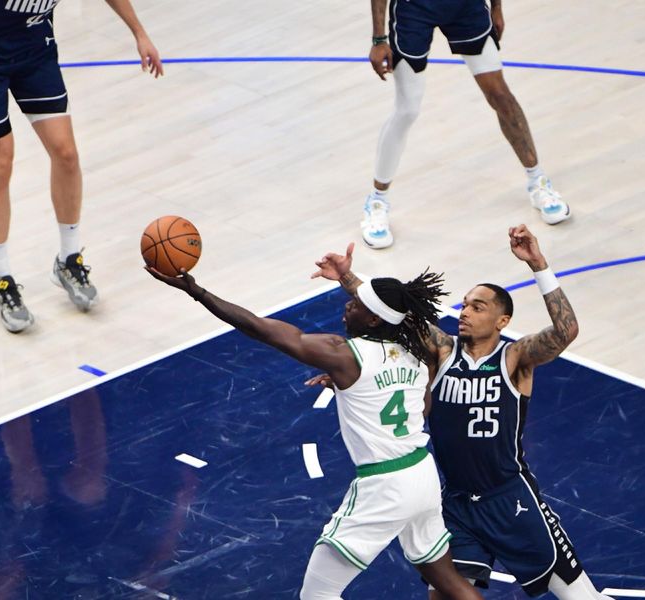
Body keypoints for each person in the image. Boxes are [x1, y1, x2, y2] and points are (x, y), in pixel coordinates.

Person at [144, 264, 481, 600]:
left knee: (317, 595)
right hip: (421, 474)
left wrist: (197, 291)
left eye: (358, 304)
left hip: (385, 487)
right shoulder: (415, 357)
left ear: (375, 320)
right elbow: (419, 411)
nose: (348, 306)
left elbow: (261, 329)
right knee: (445, 579)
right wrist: (359, 394)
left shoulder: (345, 355)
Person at [312, 225, 612, 600]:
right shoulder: (443, 350)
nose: (465, 312)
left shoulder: (515, 358)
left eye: (478, 306)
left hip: (510, 499)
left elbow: (566, 331)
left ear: (502, 321)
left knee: (581, 598)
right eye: (465, 304)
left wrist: (538, 264)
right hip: (456, 501)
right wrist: (346, 277)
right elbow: (391, 311)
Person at [0, 0, 163, 332]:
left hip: (35, 53)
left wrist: (139, 32)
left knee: (66, 154)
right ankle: (1, 278)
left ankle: (68, 259)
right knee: (1, 160)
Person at [361, 0, 570, 249]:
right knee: (407, 110)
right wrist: (378, 38)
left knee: (500, 95)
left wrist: (496, 8)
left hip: (464, 6)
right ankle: (377, 200)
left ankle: (538, 182)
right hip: (413, 8)